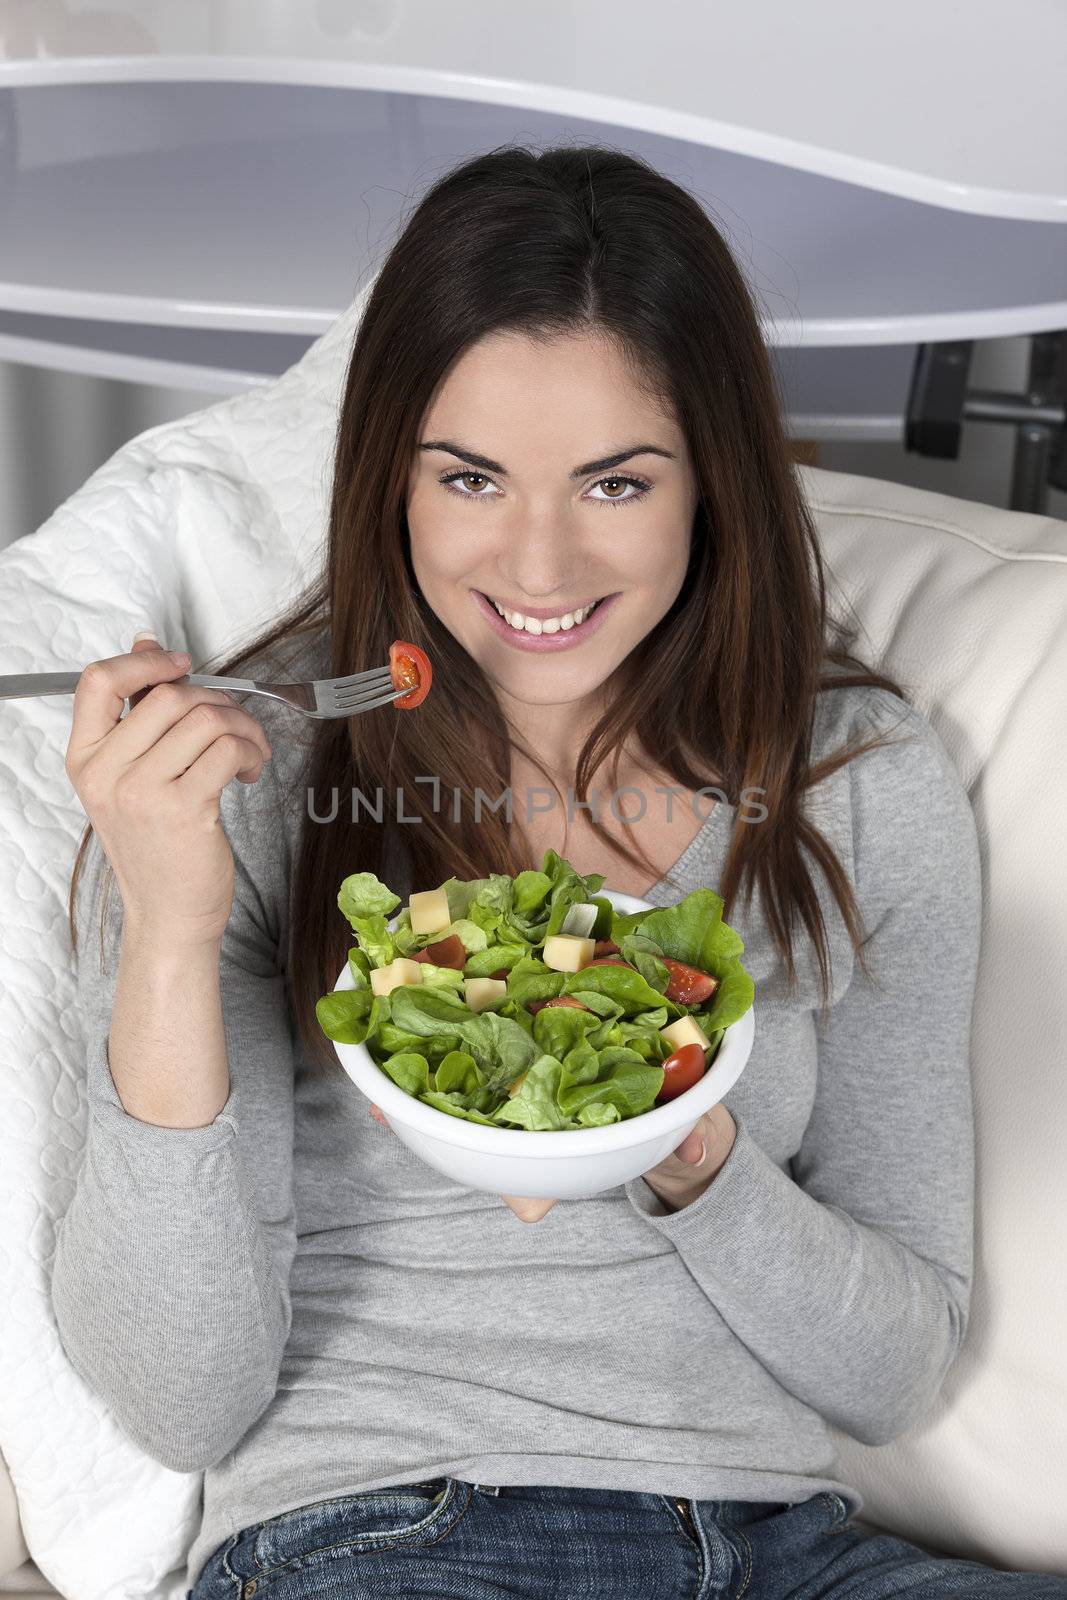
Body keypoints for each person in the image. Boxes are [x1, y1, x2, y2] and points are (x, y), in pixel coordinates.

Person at [52, 144, 1064, 1600]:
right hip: (390, 1531)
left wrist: (672, 1125)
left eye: (613, 482)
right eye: (470, 477)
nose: (537, 564)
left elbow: (894, 1373)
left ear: (712, 479)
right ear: (387, 478)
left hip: (790, 1552)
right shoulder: (228, 786)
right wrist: (166, 926)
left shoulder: (856, 780)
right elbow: (180, 1398)